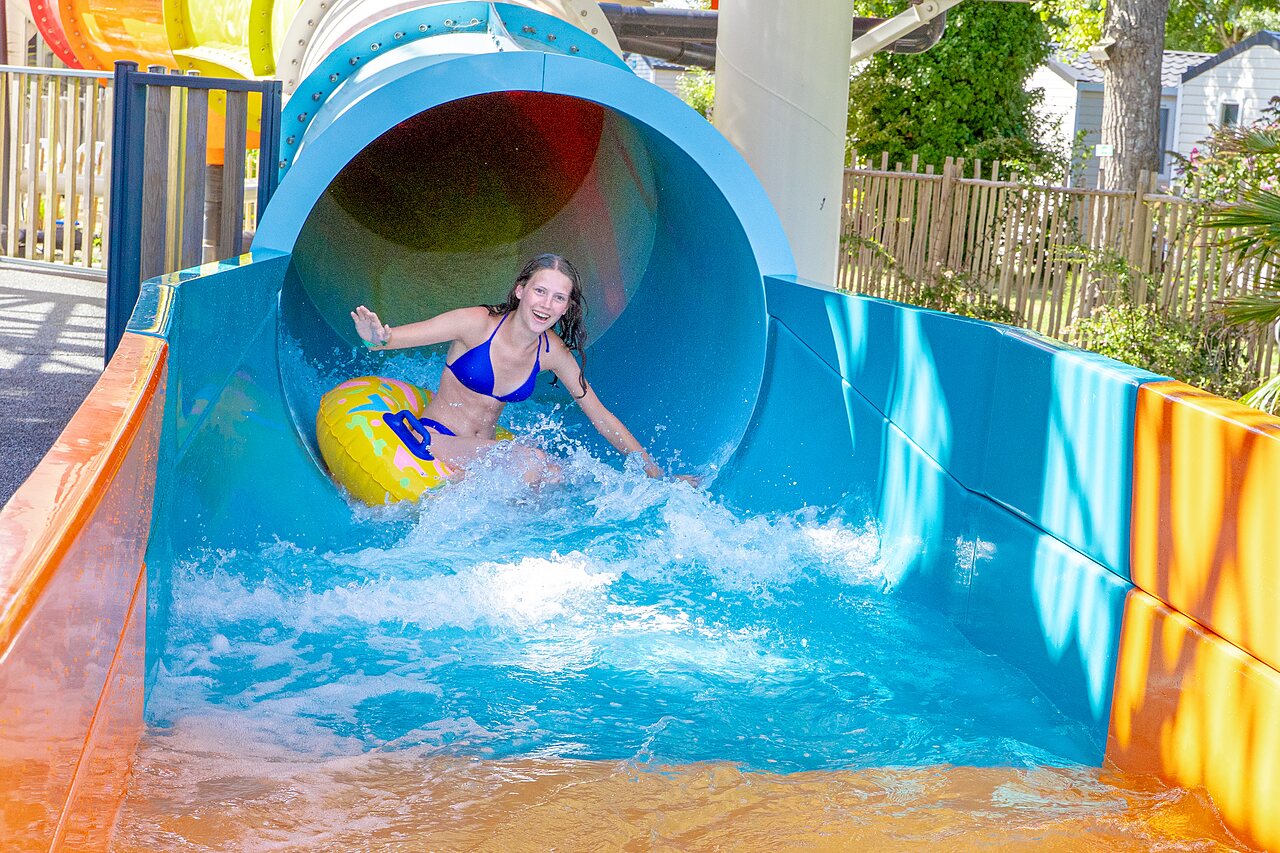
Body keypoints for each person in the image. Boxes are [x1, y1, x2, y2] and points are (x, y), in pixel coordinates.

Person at [351, 254, 667, 485]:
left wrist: (656, 475)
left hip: (482, 449)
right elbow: (391, 339)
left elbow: (601, 416)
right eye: (540, 291)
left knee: (559, 474)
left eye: (558, 298)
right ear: (520, 291)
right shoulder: (475, 324)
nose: (546, 305)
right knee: (530, 461)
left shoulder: (552, 352)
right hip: (434, 438)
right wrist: (375, 337)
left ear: (567, 307)